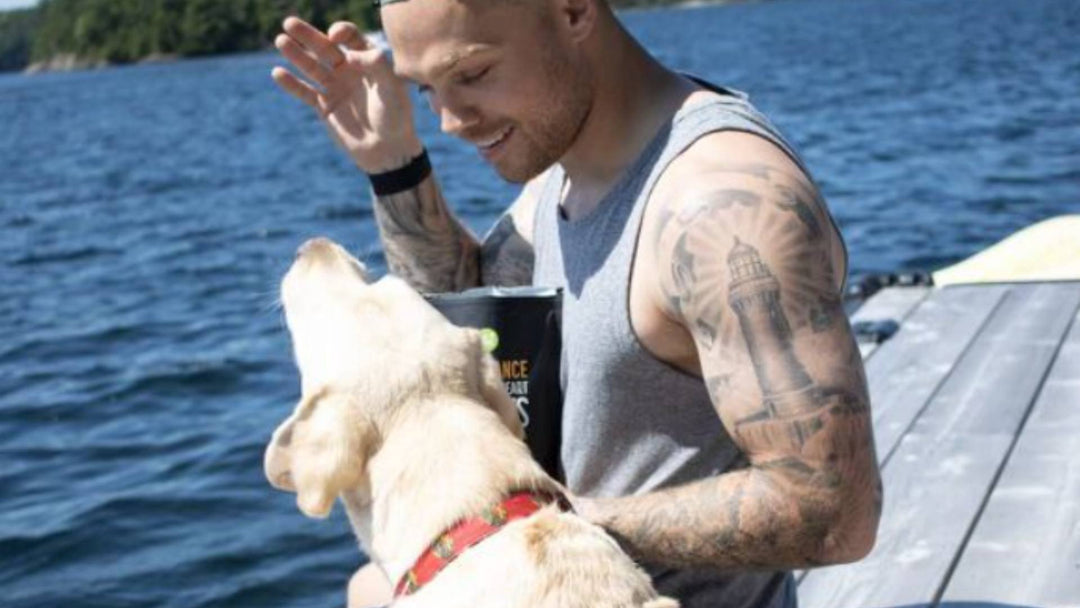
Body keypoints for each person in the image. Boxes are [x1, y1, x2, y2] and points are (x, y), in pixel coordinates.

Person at [270, 1, 882, 606]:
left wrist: (554, 524)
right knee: (369, 589)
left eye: (473, 74)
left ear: (572, 11)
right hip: (552, 584)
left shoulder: (717, 208)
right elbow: (473, 307)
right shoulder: (569, 172)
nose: (450, 120)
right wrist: (393, 162)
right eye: (427, 88)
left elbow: (834, 509)